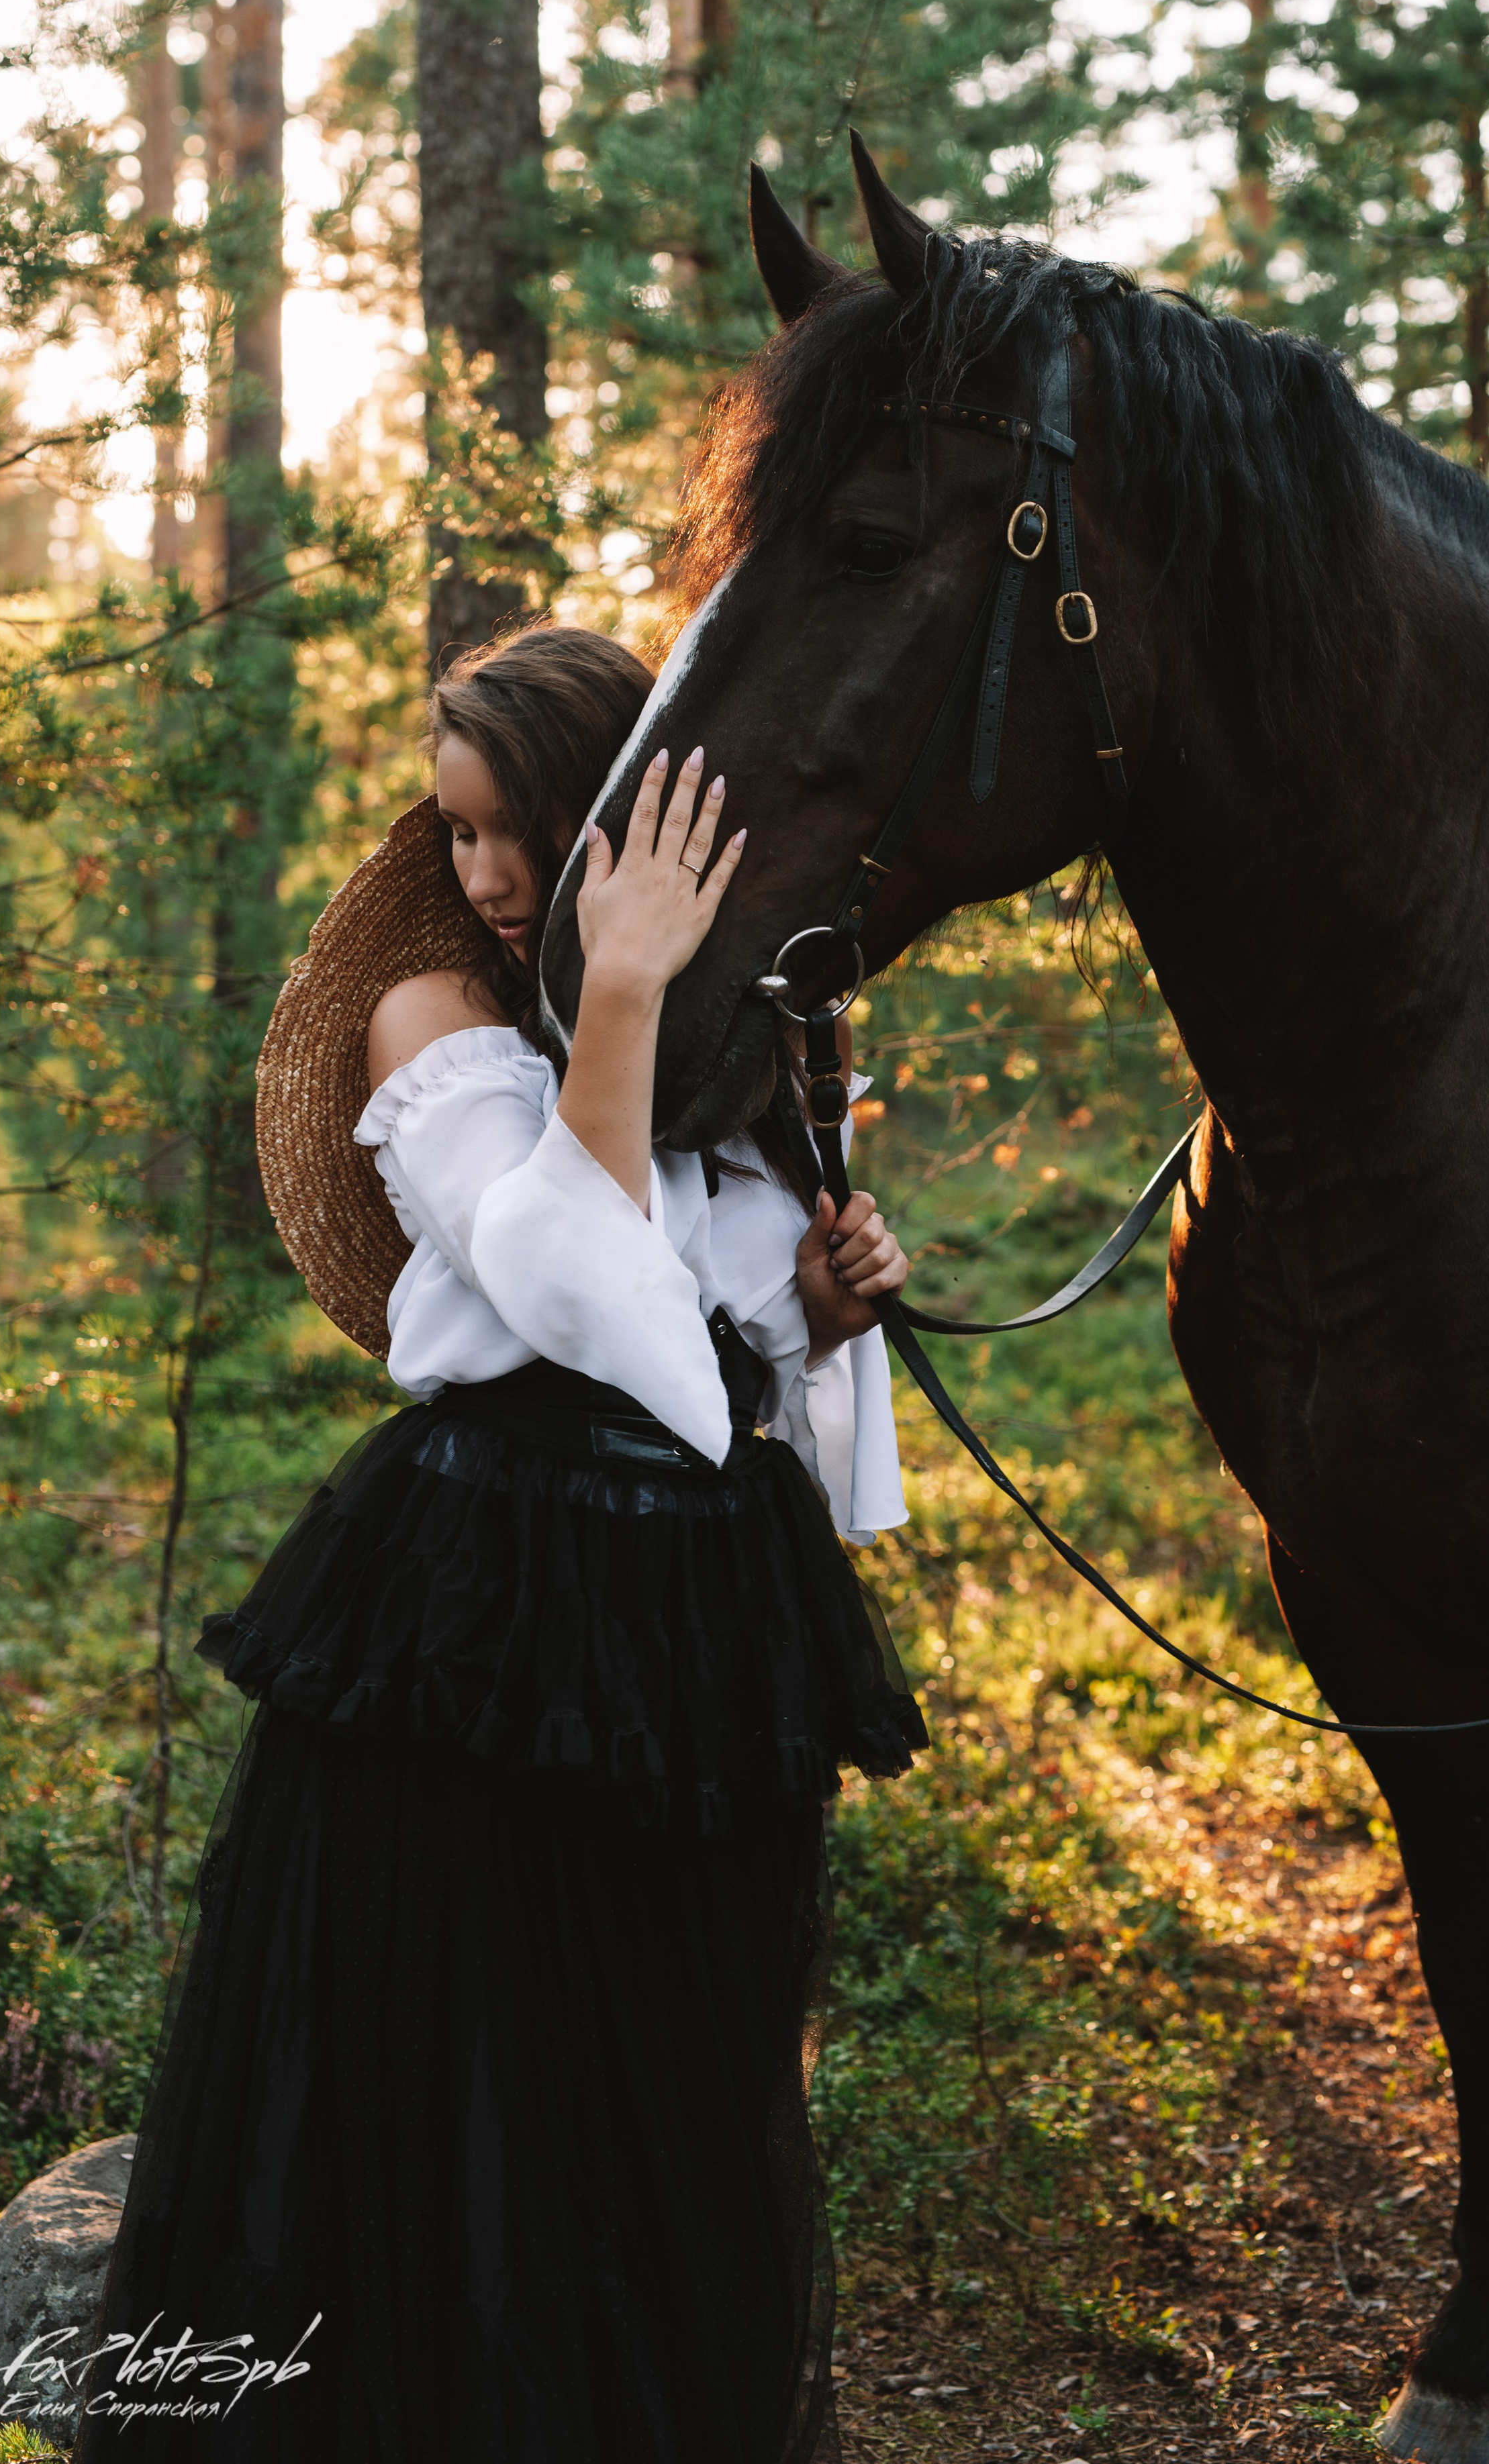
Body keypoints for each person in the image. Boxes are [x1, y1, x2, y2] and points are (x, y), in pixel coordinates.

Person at [73, 624, 926, 2464]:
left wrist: (826, 1304)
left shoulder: (732, 1029)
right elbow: (562, 1276)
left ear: (602, 806)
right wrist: (614, 994)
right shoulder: (434, 1023)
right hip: (485, 1600)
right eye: (455, 834)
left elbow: (709, 1342)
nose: (482, 873)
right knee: (470, 2056)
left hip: (697, 1612)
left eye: (510, 826)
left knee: (673, 2059)